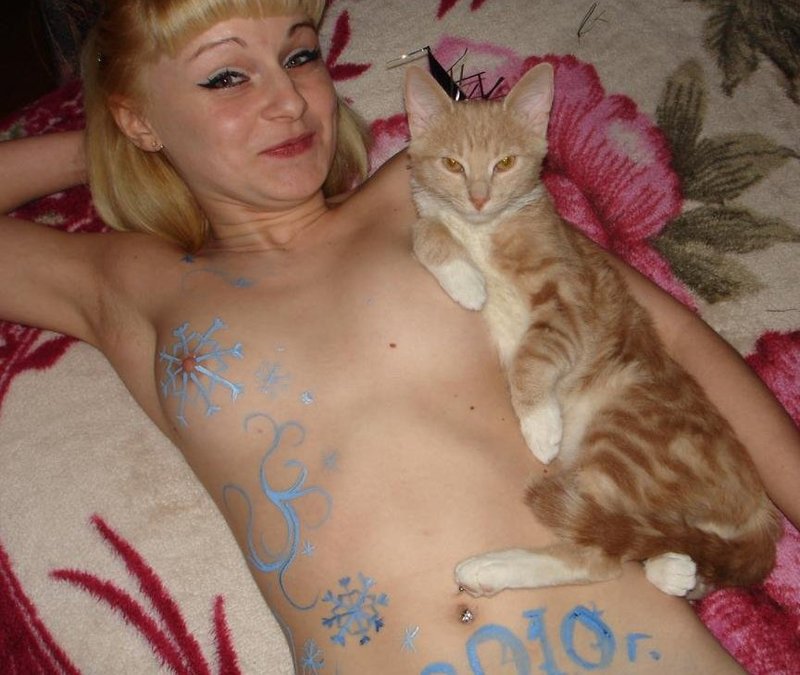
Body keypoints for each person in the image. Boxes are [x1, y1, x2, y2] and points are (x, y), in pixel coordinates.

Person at [2, 0, 799, 672]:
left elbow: (667, 337)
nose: (289, 101)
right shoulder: (137, 286)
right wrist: (117, 145)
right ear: (137, 115)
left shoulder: (429, 191)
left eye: (300, 57)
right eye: (226, 77)